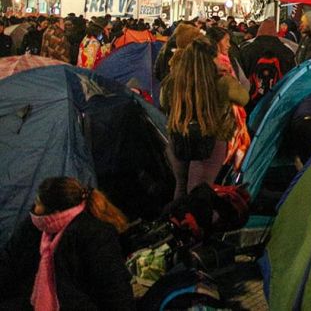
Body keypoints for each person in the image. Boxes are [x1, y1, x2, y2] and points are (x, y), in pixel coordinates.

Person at [0, 176, 134, 310]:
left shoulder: (93, 234)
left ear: (55, 211)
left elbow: (115, 289)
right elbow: (9, 260)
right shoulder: (36, 227)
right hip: (34, 301)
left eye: (38, 202)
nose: (34, 207)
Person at [162, 38, 249, 198]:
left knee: (181, 186)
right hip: (212, 139)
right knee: (200, 189)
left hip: (179, 136)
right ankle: (197, 220)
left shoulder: (173, 80)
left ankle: (179, 220)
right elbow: (243, 97)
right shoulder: (222, 82)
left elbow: (163, 102)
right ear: (211, 60)